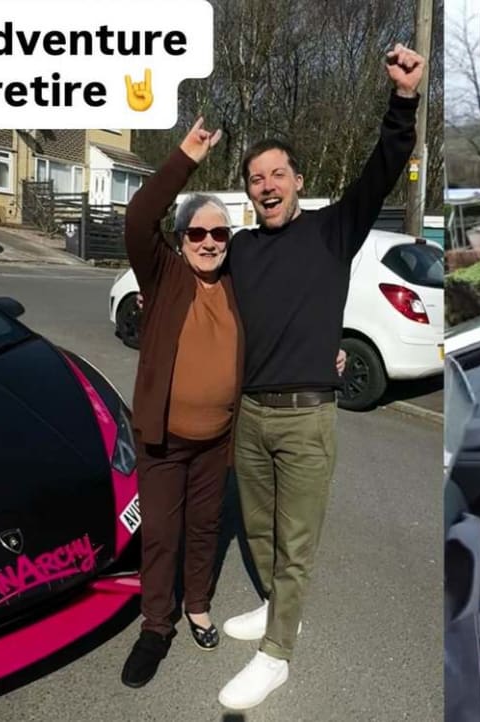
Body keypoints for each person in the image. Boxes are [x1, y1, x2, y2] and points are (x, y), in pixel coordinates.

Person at [214, 43, 425, 711]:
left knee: (296, 542)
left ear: (298, 181)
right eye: (256, 177)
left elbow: (383, 168)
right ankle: (282, 610)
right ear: (247, 190)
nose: (267, 184)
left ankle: (277, 654)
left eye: (278, 173)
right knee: (259, 530)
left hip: (307, 417)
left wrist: (404, 100)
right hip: (250, 415)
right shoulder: (238, 251)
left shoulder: (334, 232)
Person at [119, 121, 350, 690]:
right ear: (180, 238)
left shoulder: (236, 277)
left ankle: (197, 607)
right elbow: (136, 218)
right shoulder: (166, 274)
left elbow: (287, 316)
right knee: (162, 535)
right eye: (196, 233)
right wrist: (186, 157)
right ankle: (155, 626)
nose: (208, 243)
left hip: (220, 439)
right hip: (163, 440)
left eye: (219, 235)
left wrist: (329, 352)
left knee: (205, 531)